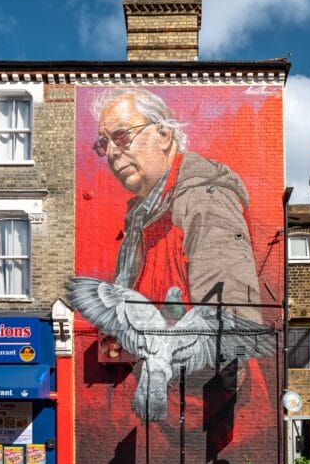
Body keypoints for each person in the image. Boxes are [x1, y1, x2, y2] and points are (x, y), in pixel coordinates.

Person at [91, 87, 261, 318]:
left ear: (164, 135)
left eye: (121, 136)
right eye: (103, 143)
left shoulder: (204, 201)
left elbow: (230, 326)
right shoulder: (142, 216)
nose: (111, 152)